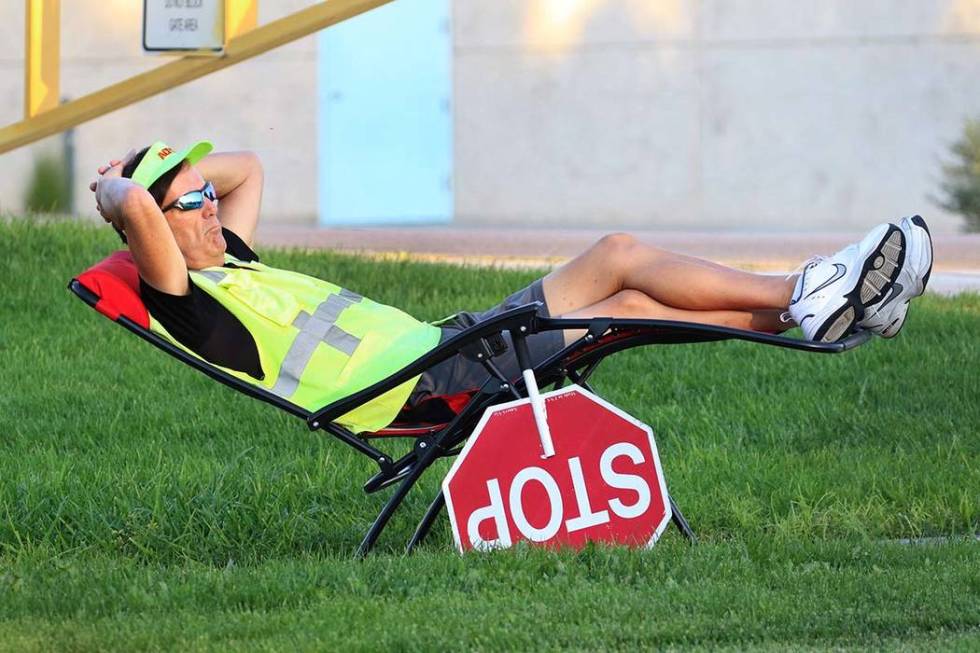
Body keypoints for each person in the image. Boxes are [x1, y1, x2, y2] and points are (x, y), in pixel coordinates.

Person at [91, 141, 933, 431]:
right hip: (427, 386)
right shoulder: (186, 296)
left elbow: (249, 166)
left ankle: (809, 300)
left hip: (450, 342)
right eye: (189, 202)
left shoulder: (233, 255)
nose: (209, 204)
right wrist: (119, 187)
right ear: (155, 228)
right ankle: (811, 298)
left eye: (205, 196)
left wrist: (180, 171)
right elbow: (133, 203)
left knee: (620, 264)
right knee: (625, 289)